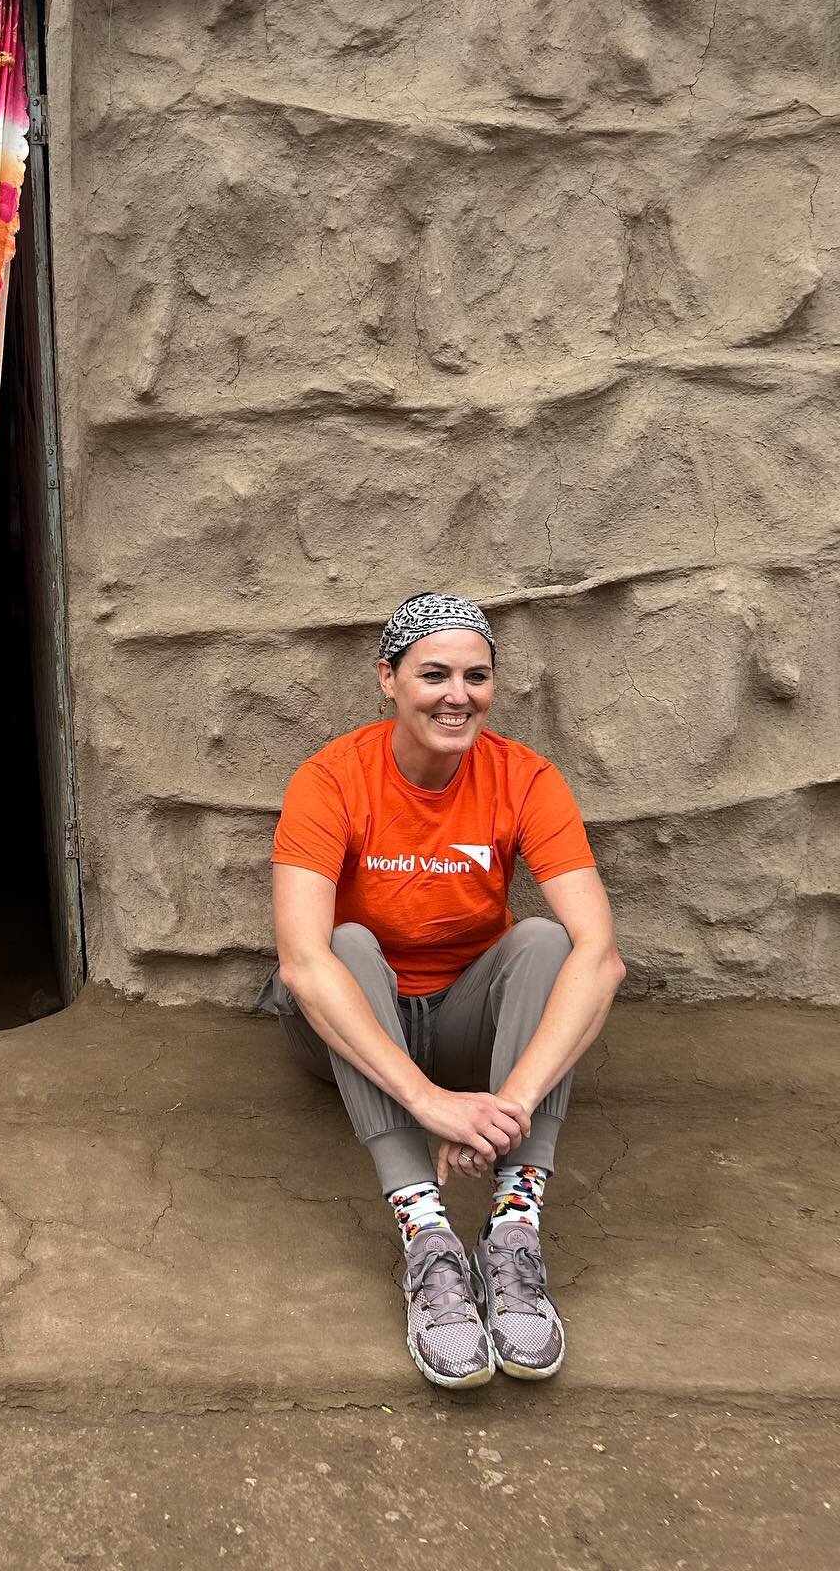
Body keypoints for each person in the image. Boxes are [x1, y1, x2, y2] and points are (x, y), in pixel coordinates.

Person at [258, 591, 625, 1389]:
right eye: (434, 674)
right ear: (387, 679)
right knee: (341, 945)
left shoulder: (523, 778)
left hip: (466, 1023)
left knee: (549, 942)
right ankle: (425, 1233)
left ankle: (515, 1225)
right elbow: (300, 963)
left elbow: (601, 958)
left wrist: (508, 1105)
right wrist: (429, 1103)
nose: (458, 695)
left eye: (476, 676)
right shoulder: (330, 779)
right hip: (352, 1029)